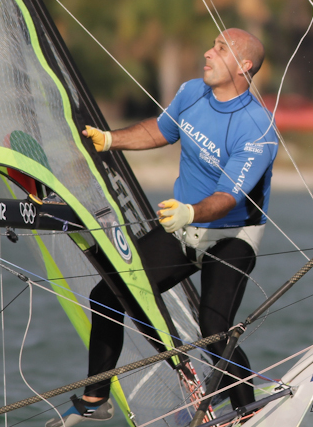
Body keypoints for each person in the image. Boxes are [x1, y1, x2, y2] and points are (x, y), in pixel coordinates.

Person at [47, 28, 277, 426]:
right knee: (108, 292)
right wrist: (110, 140)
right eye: (212, 44)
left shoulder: (257, 128)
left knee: (213, 327)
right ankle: (95, 398)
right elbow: (160, 130)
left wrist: (190, 212)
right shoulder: (192, 93)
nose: (208, 52)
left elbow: (230, 198)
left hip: (233, 235)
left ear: (244, 66)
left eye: (221, 49)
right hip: (183, 227)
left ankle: (246, 410)